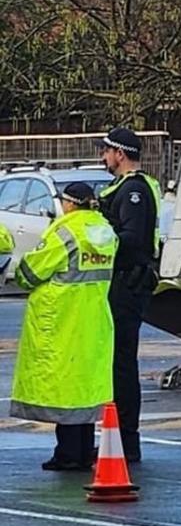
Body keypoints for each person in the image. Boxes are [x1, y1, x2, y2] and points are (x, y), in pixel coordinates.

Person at [8, 183, 117, 470]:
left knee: (64, 388)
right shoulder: (105, 232)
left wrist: (19, 275)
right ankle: (81, 451)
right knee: (84, 388)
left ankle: (68, 454)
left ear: (70, 203)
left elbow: (30, 272)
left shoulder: (64, 232)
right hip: (94, 319)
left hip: (60, 319)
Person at [96, 127, 162, 461]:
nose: (103, 157)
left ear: (119, 154)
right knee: (117, 362)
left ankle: (125, 440)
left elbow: (132, 239)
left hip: (127, 283)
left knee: (121, 364)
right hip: (124, 283)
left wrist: (98, 241)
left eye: (106, 151)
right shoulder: (127, 188)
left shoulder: (133, 190)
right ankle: (118, 439)